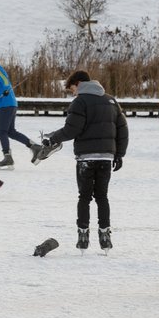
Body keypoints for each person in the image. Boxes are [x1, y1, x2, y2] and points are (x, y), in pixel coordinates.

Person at [36, 70, 128, 251]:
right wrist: (119, 154)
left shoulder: (80, 102)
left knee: (84, 197)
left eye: (72, 89)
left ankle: (83, 236)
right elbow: (122, 129)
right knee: (102, 197)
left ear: (78, 84)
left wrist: (52, 139)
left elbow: (71, 129)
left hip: (86, 157)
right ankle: (105, 236)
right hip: (106, 157)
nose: (73, 93)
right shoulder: (110, 100)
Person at [0, 49, 38, 168]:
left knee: (1, 131)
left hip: (7, 103)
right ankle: (34, 146)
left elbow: (5, 81)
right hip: (7, 103)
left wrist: (6, 89)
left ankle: (7, 157)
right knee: (11, 132)